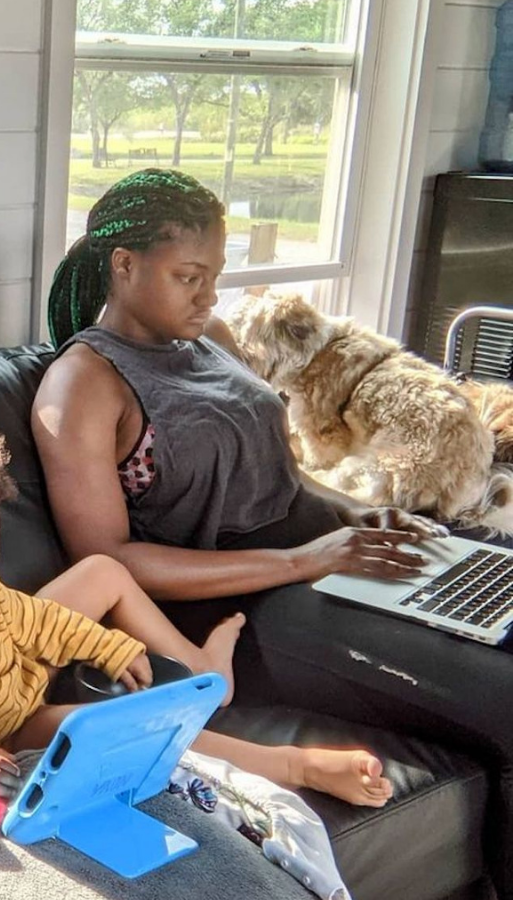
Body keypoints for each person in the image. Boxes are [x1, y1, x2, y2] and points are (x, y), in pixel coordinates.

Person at [31, 168, 513, 897]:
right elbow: (108, 558)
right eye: (189, 276)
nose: (209, 296)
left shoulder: (212, 338)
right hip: (241, 606)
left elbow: (284, 473)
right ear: (123, 266)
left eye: (215, 275)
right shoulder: (84, 384)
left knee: (492, 593)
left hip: (323, 557)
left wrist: (357, 516)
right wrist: (300, 560)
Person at [0, 403, 392, 808]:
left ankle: (202, 671)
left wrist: (110, 645)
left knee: (101, 572)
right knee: (102, 721)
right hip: (7, 728)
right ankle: (293, 765)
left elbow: (34, 617)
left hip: (15, 668)